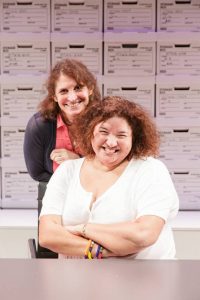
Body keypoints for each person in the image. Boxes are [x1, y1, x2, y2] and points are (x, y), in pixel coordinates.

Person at [39, 96, 179, 259]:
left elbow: (143, 234)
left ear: (134, 139)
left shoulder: (151, 170)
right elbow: (48, 235)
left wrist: (84, 229)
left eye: (121, 135)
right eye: (103, 132)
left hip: (144, 280)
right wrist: (101, 251)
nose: (111, 142)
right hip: (75, 281)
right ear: (90, 133)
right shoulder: (67, 171)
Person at [24, 58, 101, 182]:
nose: (72, 97)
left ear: (90, 89)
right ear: (54, 96)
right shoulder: (39, 126)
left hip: (95, 192)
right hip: (54, 192)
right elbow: (37, 173)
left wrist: (77, 161)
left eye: (78, 88)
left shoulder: (104, 122)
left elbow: (111, 166)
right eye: (63, 91)